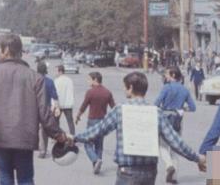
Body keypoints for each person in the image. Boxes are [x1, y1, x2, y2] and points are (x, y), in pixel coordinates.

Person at [73, 72, 206, 185]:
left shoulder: (120, 110)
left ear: (130, 88)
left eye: (125, 87)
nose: (124, 90)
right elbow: (175, 141)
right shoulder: (156, 112)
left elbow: (98, 130)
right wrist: (197, 158)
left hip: (127, 172)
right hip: (149, 173)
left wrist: (74, 138)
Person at [0, 34, 67, 185]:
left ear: (7, 50)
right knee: (26, 179)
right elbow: (44, 112)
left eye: (0, 49)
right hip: (25, 137)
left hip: (1, 136)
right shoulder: (35, 77)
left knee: (5, 178)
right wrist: (57, 134)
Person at [155, 66, 196, 184]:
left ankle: (169, 165)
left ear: (173, 75)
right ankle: (174, 178)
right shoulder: (184, 89)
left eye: (167, 74)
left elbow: (156, 103)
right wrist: (181, 108)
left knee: (162, 145)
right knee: (175, 148)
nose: (165, 76)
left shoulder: (166, 87)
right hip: (178, 120)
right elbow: (193, 107)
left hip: (165, 119)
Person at [74, 71, 114, 175]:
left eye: (89, 79)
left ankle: (95, 160)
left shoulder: (90, 92)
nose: (88, 81)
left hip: (92, 121)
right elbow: (113, 108)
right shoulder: (107, 92)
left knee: (87, 144)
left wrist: (77, 116)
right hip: (103, 122)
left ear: (95, 79)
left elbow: (83, 106)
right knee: (99, 145)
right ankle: (97, 166)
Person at [36, 61, 58, 159]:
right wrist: (56, 107)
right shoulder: (49, 81)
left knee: (37, 128)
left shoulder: (34, 80)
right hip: (46, 108)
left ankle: (40, 148)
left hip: (35, 107)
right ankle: (43, 149)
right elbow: (55, 96)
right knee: (44, 129)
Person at [54, 65, 75, 135]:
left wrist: (54, 105)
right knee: (70, 122)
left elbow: (55, 93)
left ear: (60, 71)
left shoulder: (56, 81)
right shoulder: (69, 80)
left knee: (56, 121)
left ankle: (57, 135)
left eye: (57, 71)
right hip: (68, 104)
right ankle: (72, 135)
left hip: (59, 104)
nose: (56, 73)